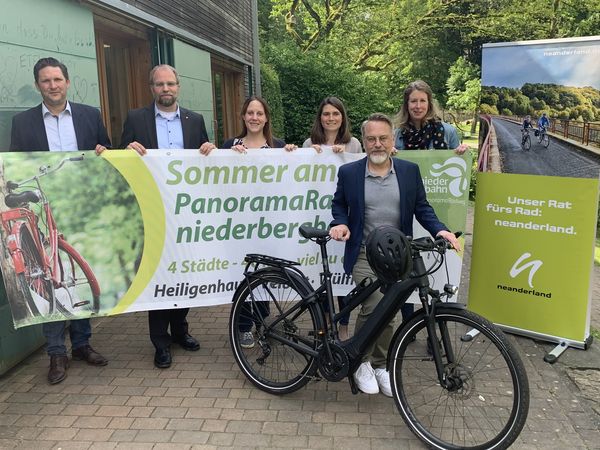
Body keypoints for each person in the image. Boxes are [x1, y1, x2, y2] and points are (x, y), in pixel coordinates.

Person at [329, 113, 460, 397]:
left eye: (383, 138)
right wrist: (339, 222)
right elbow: (339, 206)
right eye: (371, 139)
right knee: (375, 304)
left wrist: (441, 230)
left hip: (397, 255)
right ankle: (360, 360)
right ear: (363, 141)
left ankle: (380, 364)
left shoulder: (408, 171)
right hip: (364, 253)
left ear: (392, 141)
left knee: (388, 312)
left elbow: (422, 208)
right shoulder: (350, 173)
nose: (377, 144)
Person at [9, 57, 110, 384]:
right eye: (46, 81)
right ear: (38, 85)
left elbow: (105, 151)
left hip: (79, 203)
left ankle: (82, 344)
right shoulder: (23, 123)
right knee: (48, 270)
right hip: (42, 204)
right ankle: (56, 353)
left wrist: (102, 151)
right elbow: (15, 163)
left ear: (67, 82)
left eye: (57, 79)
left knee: (73, 269)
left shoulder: (90, 115)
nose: (53, 85)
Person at [120, 64, 215, 369]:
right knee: (160, 274)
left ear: (178, 86)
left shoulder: (195, 120)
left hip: (186, 210)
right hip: (152, 210)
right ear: (151, 88)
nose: (165, 89)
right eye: (159, 84)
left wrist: (210, 149)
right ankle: (160, 343)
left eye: (170, 84)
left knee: (183, 271)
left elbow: (206, 158)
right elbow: (121, 156)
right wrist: (126, 148)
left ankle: (180, 331)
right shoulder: (136, 119)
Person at [201, 96, 293, 349]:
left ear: (266, 118)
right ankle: (243, 326)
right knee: (243, 276)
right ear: (243, 117)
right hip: (238, 226)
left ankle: (262, 320)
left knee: (264, 272)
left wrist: (299, 156)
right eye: (250, 113)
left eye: (259, 113)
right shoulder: (231, 145)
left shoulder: (278, 146)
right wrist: (213, 152)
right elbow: (215, 177)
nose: (254, 117)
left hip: (267, 224)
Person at [302, 96, 362, 340]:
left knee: (343, 275)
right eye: (326, 114)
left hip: (345, 218)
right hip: (317, 214)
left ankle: (344, 326)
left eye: (335, 114)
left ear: (342, 117)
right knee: (322, 275)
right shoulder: (309, 142)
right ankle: (325, 325)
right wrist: (309, 154)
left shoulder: (354, 144)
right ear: (320, 117)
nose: (330, 118)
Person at [393, 80, 468, 155]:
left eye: (423, 101)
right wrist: (387, 154)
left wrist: (462, 152)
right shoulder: (395, 134)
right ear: (407, 104)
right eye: (413, 101)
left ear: (429, 104)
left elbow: (457, 163)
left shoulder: (449, 132)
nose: (418, 106)